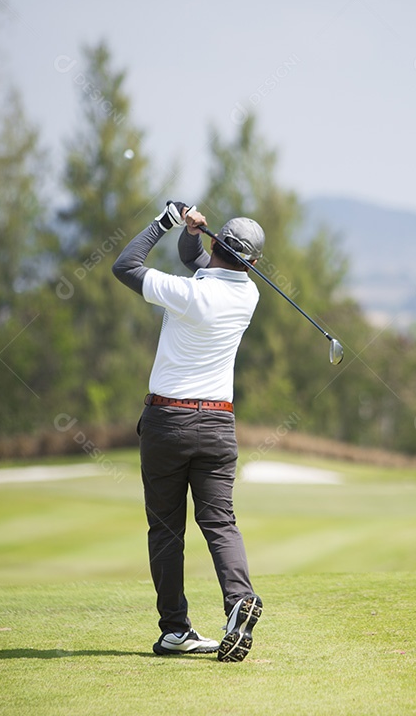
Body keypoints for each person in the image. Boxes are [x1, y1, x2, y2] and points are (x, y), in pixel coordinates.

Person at [112, 200, 265, 663]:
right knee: (220, 522)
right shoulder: (248, 295)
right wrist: (193, 236)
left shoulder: (187, 294)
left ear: (219, 242)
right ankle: (238, 600)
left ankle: (175, 629)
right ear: (253, 264)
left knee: (165, 530)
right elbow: (195, 261)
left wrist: (167, 221)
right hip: (219, 424)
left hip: (168, 422)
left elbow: (125, 266)